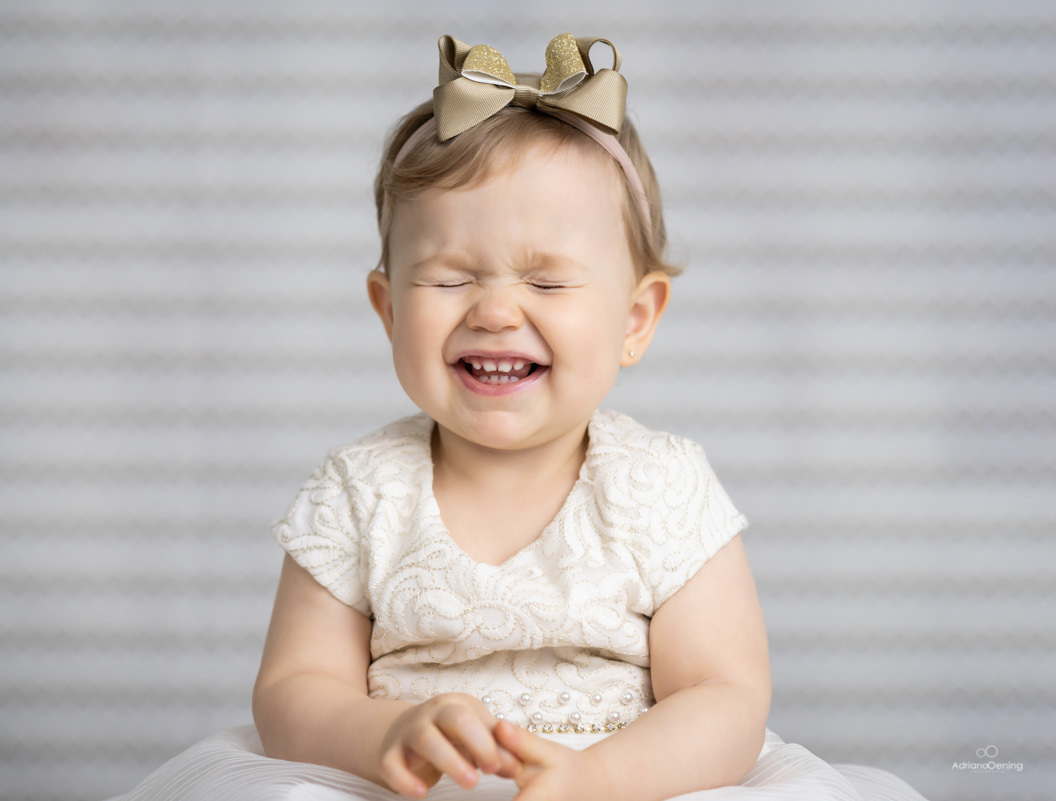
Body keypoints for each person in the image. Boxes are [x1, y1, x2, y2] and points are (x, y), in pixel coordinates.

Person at [109, 33, 930, 801]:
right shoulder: (359, 489)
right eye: (451, 278)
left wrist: (596, 776)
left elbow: (726, 695)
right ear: (388, 309)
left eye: (546, 283)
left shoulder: (660, 484)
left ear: (636, 319)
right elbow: (293, 691)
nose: (497, 311)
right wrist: (387, 730)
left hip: (621, 781)